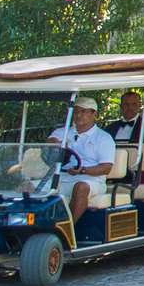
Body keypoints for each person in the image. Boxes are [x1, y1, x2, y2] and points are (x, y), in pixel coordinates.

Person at [47, 97, 118, 226]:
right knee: (29, 186)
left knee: (80, 187)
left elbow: (106, 167)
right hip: (62, 177)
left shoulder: (103, 138)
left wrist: (83, 170)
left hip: (92, 179)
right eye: (76, 111)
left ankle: (69, 230)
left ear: (94, 113)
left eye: (83, 111)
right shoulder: (63, 132)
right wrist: (55, 144)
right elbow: (51, 143)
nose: (78, 115)